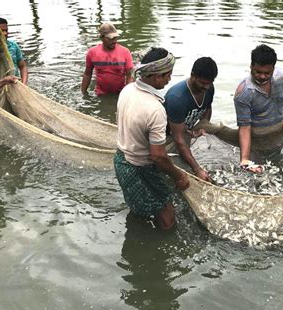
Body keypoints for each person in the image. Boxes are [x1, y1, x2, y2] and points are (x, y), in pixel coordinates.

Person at [114, 47, 189, 230]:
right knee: (167, 218)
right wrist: (179, 176)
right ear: (156, 77)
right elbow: (158, 156)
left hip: (121, 161)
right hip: (140, 168)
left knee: (140, 209)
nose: (170, 79)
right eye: (167, 75)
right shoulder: (155, 109)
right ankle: (158, 252)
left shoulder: (128, 89)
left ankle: (138, 236)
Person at [234, 44, 283, 173]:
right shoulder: (244, 92)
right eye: (258, 72)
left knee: (278, 170)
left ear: (274, 68)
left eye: (267, 73)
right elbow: (244, 127)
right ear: (251, 67)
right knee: (257, 177)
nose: (262, 76)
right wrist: (244, 159)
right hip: (256, 144)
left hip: (278, 138)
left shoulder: (281, 78)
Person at [164, 57, 218, 182]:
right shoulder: (177, 98)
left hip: (186, 132)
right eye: (203, 83)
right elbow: (179, 139)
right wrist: (197, 170)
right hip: (168, 137)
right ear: (193, 76)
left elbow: (207, 109)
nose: (206, 87)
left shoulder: (209, 88)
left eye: (209, 83)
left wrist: (202, 128)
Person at [81, 22, 134, 96]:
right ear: (102, 38)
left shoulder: (125, 52)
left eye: (115, 37)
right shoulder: (92, 52)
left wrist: (127, 94)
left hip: (120, 93)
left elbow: (130, 75)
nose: (114, 41)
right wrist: (84, 93)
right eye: (110, 38)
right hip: (100, 94)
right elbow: (87, 74)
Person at [0, 17, 28, 85]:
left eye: (6, 30)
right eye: (2, 31)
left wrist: (24, 84)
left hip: (15, 85)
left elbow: (23, 66)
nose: (5, 33)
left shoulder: (13, 45)